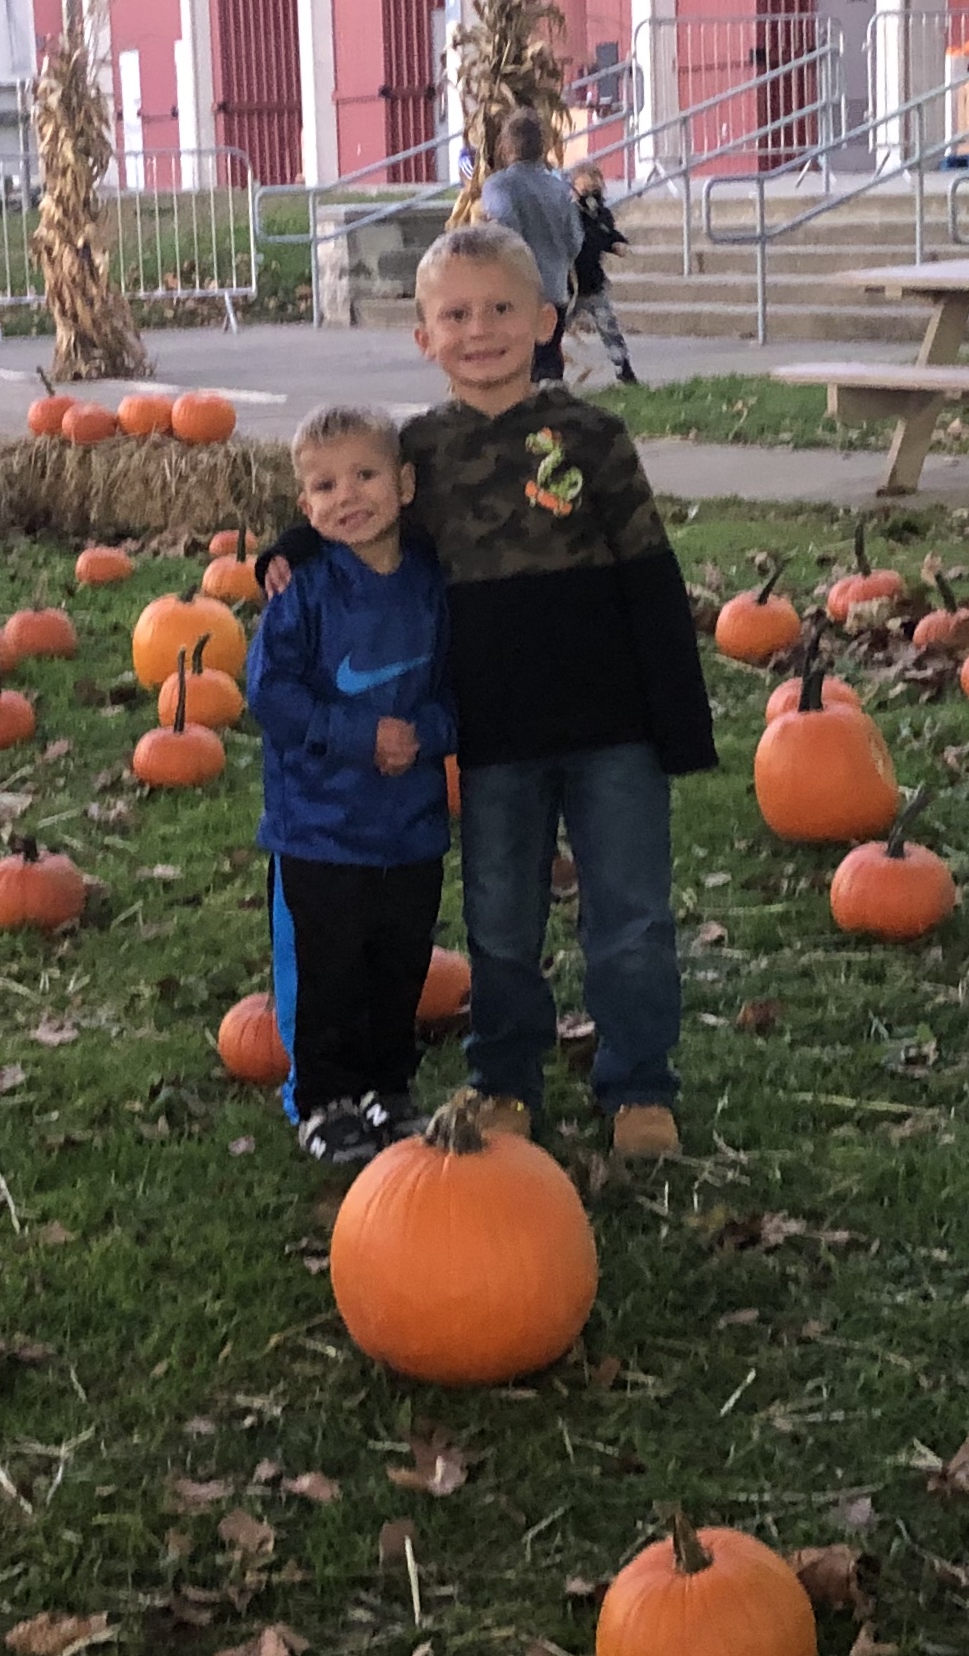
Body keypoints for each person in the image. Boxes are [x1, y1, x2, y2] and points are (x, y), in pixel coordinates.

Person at [263, 224, 716, 1158]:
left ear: (547, 320)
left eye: (502, 308)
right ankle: (505, 1074)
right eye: (455, 314)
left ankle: (638, 1080)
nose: (481, 329)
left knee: (628, 910)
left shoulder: (592, 436)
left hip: (613, 725)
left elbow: (649, 574)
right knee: (500, 920)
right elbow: (355, 500)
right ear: (423, 337)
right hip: (494, 733)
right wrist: (291, 544)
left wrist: (678, 720)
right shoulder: (419, 452)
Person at [245, 403, 455, 1167]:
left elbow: (459, 688)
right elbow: (270, 693)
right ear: (305, 507)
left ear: (404, 485)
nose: (347, 496)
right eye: (325, 486)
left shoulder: (432, 584)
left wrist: (427, 735)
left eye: (365, 475)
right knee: (329, 964)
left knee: (399, 961)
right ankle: (325, 1096)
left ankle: (386, 1085)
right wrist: (357, 735)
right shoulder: (301, 591)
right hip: (319, 827)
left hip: (409, 825)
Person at [479, 108, 584, 383]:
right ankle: (552, 419)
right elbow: (575, 239)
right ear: (543, 147)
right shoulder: (560, 187)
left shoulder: (499, 185)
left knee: (517, 370)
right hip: (555, 288)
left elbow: (504, 228)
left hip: (516, 292)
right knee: (549, 361)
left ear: (506, 146)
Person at [566, 160, 638, 385]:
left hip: (594, 284)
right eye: (585, 191)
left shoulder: (601, 216)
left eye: (595, 191)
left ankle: (623, 369)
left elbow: (607, 235)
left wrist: (617, 243)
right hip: (570, 285)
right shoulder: (569, 216)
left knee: (609, 327)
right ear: (573, 191)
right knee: (556, 328)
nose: (591, 197)